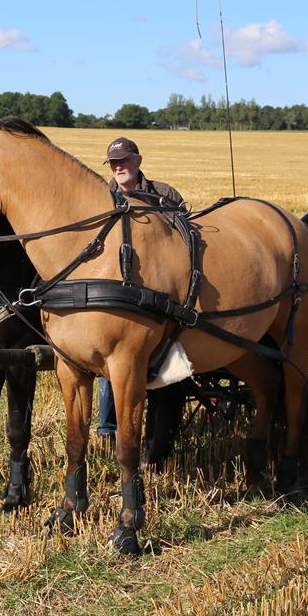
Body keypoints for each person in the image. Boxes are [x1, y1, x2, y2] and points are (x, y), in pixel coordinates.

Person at [96, 137, 188, 463]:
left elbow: (187, 243)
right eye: (113, 163)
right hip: (117, 295)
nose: (118, 167)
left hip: (161, 296)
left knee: (166, 373)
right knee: (111, 369)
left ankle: (158, 439)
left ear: (138, 160)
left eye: (123, 160)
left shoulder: (165, 194)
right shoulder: (100, 198)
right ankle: (107, 430)